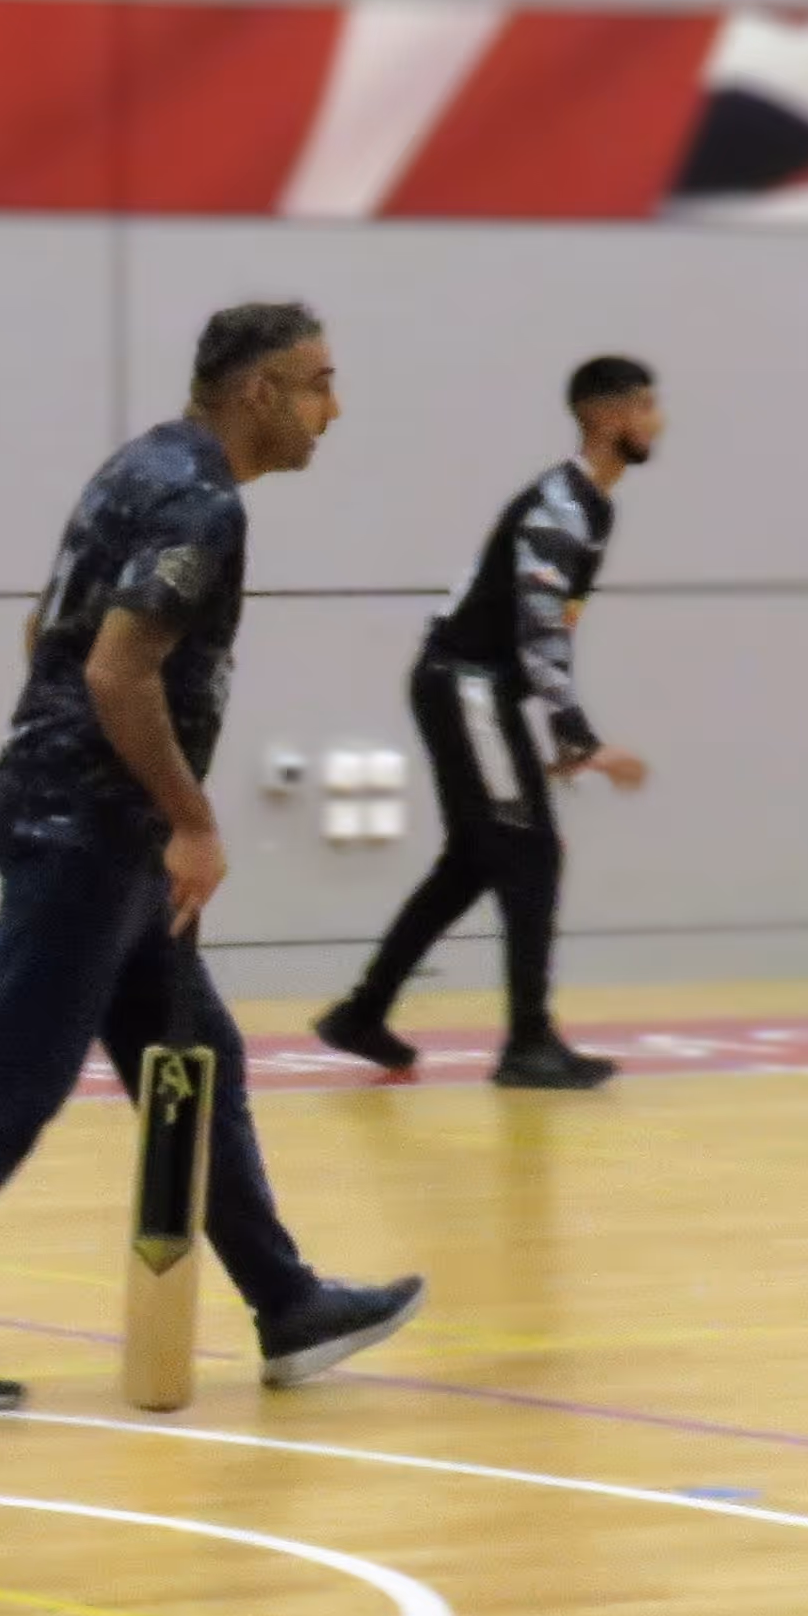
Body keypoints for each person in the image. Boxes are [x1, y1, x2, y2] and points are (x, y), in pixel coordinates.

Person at [0, 302, 425, 1412]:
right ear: (259, 393)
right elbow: (115, 670)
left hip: (89, 819)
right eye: (317, 385)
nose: (331, 411)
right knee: (14, 1075)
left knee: (194, 1055)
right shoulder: (200, 500)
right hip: (89, 832)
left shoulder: (139, 463)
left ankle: (285, 1304)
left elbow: (44, 633)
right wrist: (190, 818)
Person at [316, 357, 662, 1090]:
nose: (656, 422)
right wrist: (576, 735)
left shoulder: (592, 505)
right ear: (608, 417)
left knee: (477, 859)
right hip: (464, 683)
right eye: (646, 407)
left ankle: (362, 1012)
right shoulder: (563, 505)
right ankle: (528, 1044)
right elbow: (540, 626)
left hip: (477, 688)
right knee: (530, 851)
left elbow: (549, 627)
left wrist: (560, 729)